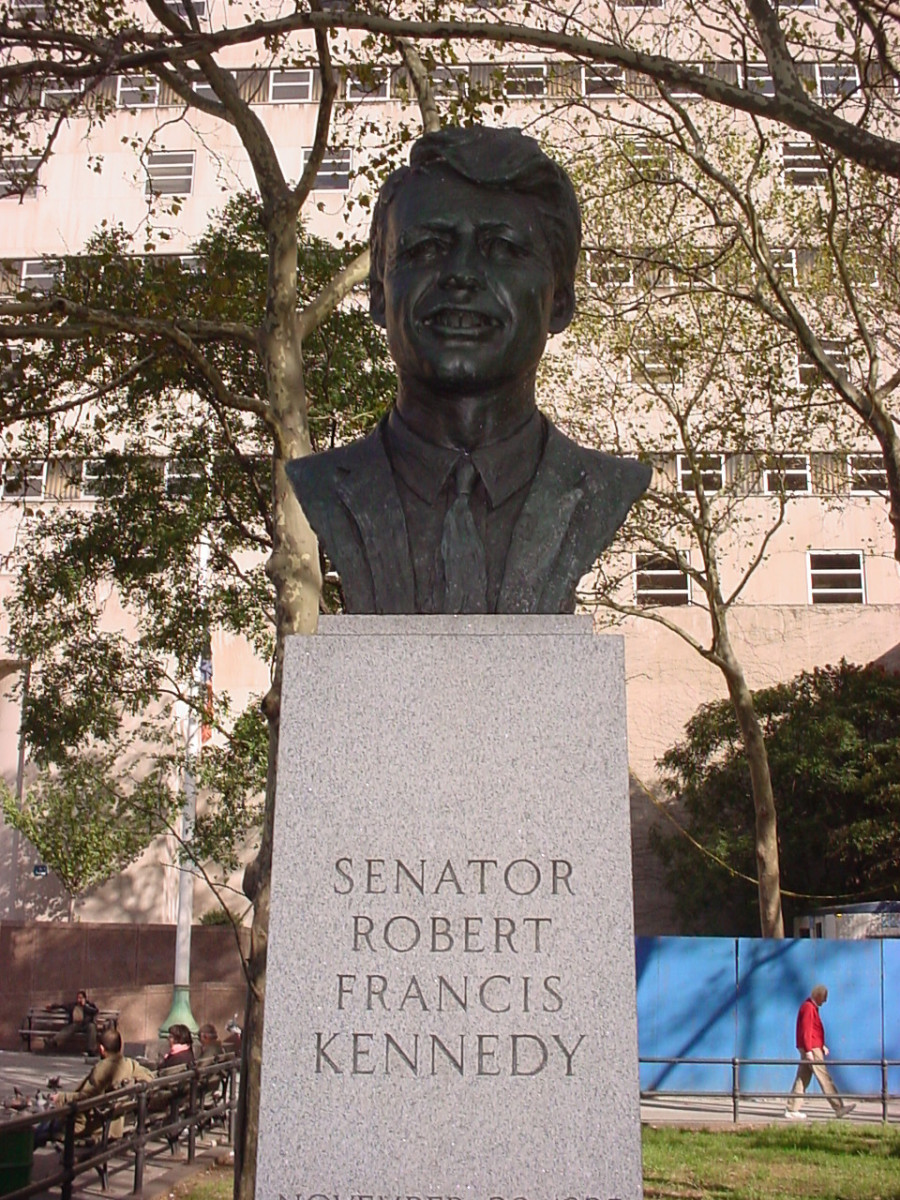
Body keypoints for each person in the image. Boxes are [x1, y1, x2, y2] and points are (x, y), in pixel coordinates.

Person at [288, 125, 650, 616]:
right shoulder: (322, 484)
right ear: (378, 295)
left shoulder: (601, 487)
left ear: (559, 301)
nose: (460, 273)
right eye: (427, 248)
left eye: (502, 248)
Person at [42, 1028, 152, 1142]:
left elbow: (86, 1098)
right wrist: (130, 1083)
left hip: (92, 1125)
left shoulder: (102, 1068)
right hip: (113, 1122)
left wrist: (61, 1097)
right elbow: (149, 1077)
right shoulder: (130, 1064)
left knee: (44, 1125)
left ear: (101, 1048)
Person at [785, 984, 856, 1119]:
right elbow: (806, 1030)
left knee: (802, 1078)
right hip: (812, 1048)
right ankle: (838, 1107)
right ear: (818, 996)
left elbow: (813, 1030)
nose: (825, 1001)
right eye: (824, 998)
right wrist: (809, 1050)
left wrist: (821, 1045)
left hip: (813, 1046)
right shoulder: (808, 1008)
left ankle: (792, 1108)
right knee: (824, 1077)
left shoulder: (810, 1007)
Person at [46, 989, 99, 1053]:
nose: (79, 999)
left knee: (92, 1027)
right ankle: (53, 1042)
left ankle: (91, 1050)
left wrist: (85, 1006)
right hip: (76, 1024)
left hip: (86, 1024)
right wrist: (52, 1006)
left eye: (81, 998)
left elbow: (95, 1011)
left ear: (84, 998)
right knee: (70, 1028)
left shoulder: (89, 1005)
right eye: (78, 998)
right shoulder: (73, 1005)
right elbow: (62, 1006)